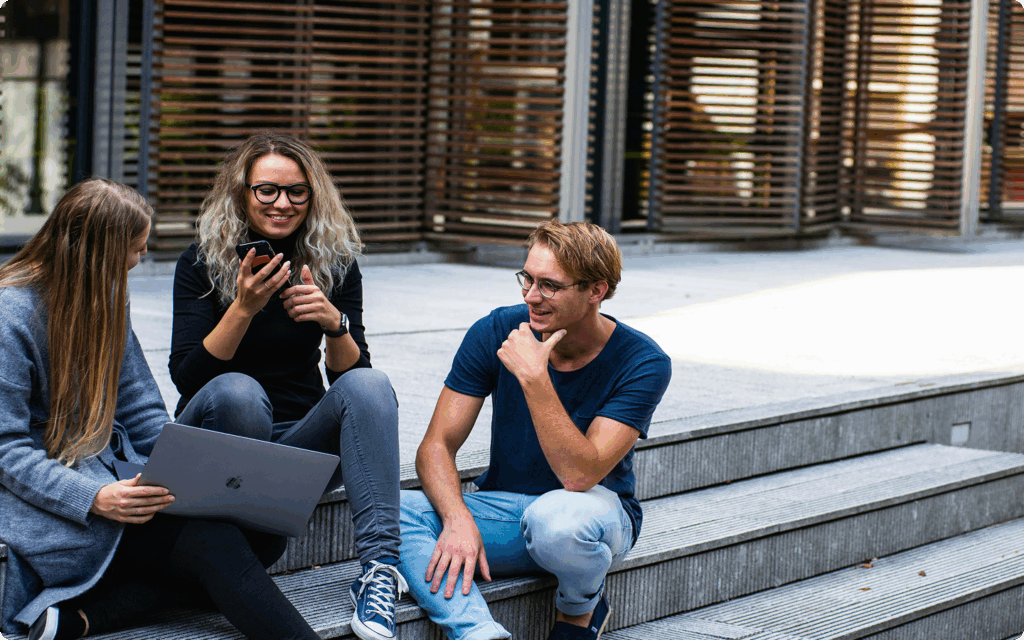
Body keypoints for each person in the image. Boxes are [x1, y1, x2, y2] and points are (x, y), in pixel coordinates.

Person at [0, 179, 323, 640]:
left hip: (117, 476)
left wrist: (183, 471)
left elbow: (140, 407)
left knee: (264, 536)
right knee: (214, 544)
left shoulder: (107, 295)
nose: (144, 254)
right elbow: (7, 450)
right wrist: (94, 497)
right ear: (100, 253)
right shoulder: (10, 315)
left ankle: (86, 618)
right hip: (56, 498)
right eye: (136, 247)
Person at [168, 131, 404, 640]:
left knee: (371, 385)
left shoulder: (333, 262)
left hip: (296, 446)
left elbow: (351, 380)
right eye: (267, 190)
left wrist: (334, 323)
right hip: (219, 440)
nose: (282, 203)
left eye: (297, 191)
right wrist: (243, 308)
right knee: (239, 392)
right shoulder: (202, 262)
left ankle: (380, 570)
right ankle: (234, 546)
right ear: (242, 192)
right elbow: (186, 377)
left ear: (313, 195)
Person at [398, 221, 672, 640]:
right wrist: (456, 518)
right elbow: (436, 445)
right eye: (527, 278)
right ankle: (477, 632)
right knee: (394, 511)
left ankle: (579, 610)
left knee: (557, 521)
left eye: (549, 286)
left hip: (590, 518)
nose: (530, 296)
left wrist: (534, 378)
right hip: (506, 510)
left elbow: (579, 476)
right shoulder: (496, 330)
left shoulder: (642, 361)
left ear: (596, 290)